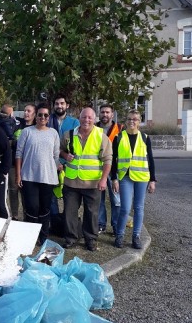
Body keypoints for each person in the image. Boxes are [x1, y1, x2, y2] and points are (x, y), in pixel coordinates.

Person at [60, 107, 112, 251]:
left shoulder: (101, 136)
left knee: (92, 213)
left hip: (92, 183)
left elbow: (108, 160)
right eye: (84, 117)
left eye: (89, 117)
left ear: (94, 119)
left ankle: (90, 239)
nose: (86, 120)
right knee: (70, 212)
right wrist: (65, 156)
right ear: (79, 118)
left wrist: (103, 180)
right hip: (71, 181)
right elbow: (59, 149)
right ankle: (71, 238)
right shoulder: (68, 134)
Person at [15, 103, 60, 244]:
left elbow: (56, 155)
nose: (42, 117)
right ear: (36, 116)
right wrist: (18, 174)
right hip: (29, 177)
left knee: (45, 208)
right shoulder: (27, 132)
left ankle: (44, 236)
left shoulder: (53, 133)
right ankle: (31, 236)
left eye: (45, 115)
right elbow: (19, 154)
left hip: (47, 177)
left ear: (49, 117)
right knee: (32, 207)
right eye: (40, 114)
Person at [111, 110, 156, 249]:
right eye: (129, 119)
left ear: (139, 122)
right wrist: (114, 179)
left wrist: (153, 180)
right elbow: (113, 160)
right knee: (124, 208)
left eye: (135, 119)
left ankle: (136, 237)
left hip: (142, 177)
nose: (132, 122)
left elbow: (150, 160)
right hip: (125, 177)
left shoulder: (145, 137)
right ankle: (120, 235)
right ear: (126, 121)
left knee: (138, 207)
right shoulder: (119, 137)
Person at [96, 104, 122, 235]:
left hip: (114, 170)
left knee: (116, 200)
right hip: (97, 169)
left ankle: (116, 225)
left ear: (112, 114)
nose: (104, 115)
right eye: (102, 112)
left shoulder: (120, 129)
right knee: (99, 199)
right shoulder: (94, 128)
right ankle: (101, 224)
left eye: (107, 112)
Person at [0, 101, 21, 220]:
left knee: (6, 190)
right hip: (9, 161)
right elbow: (10, 138)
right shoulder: (7, 123)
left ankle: (8, 214)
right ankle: (12, 215)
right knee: (11, 190)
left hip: (3, 160)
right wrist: (14, 140)